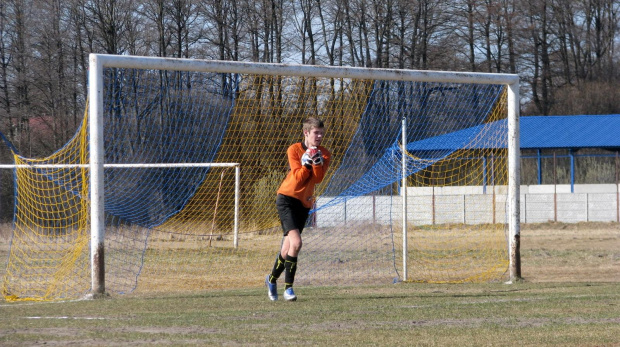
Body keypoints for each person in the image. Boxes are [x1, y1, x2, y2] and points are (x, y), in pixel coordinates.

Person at [265, 117, 331, 301]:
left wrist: (317, 161)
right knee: (297, 243)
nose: (319, 136)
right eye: (316, 133)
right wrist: (307, 162)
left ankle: (271, 280)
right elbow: (298, 178)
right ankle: (288, 289)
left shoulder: (325, 153)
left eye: (321, 133)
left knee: (287, 249)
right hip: (286, 199)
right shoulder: (294, 149)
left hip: (304, 203)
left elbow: (317, 179)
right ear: (306, 133)